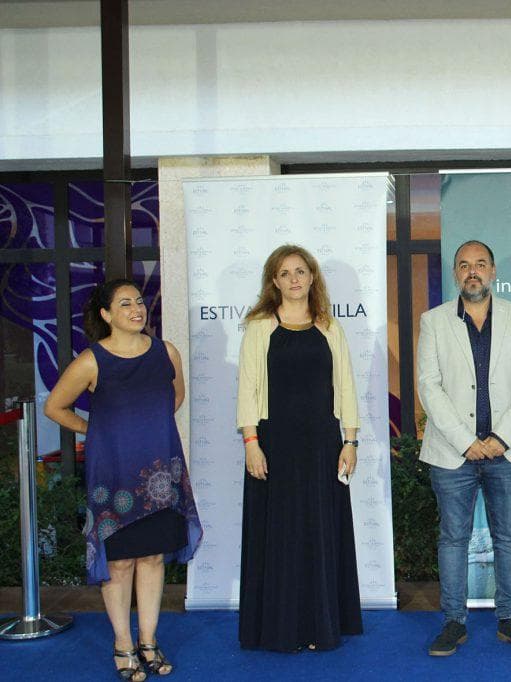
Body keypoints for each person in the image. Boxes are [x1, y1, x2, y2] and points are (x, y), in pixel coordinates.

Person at [44, 278, 202, 681]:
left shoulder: (166, 352)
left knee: (152, 557)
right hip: (113, 473)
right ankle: (123, 644)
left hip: (160, 470)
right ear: (106, 314)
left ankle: (148, 641)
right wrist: (97, 430)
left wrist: (146, 427)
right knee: (119, 562)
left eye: (139, 301)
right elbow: (55, 407)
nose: (137, 309)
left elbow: (176, 396)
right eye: (125, 303)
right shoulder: (91, 360)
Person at [417, 239, 511, 656]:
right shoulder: (433, 321)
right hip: (452, 452)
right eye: (464, 265)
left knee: (508, 535)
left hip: (508, 450)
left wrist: (501, 437)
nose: (473, 271)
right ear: (456, 273)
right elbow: (429, 386)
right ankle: (453, 622)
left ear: (493, 271)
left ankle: (510, 619)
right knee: (453, 538)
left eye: (480, 264)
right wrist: (466, 441)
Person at [236, 244, 362, 651]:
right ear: (274, 281)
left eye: (301, 271)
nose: (294, 279)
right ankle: (281, 629)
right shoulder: (259, 327)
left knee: (319, 534)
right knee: (280, 537)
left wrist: (350, 440)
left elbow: (346, 386)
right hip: (274, 445)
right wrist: (251, 443)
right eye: (285, 273)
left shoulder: (329, 326)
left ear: (312, 277)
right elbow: (248, 389)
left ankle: (318, 626)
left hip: (323, 446)